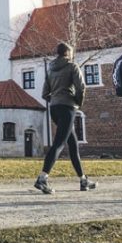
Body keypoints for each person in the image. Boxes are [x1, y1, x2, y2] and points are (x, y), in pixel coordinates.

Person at [33, 42, 97, 195]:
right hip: (68, 108)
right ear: (68, 53)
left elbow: (44, 93)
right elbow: (81, 87)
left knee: (73, 145)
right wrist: (77, 103)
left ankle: (83, 179)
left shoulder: (50, 69)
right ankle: (42, 178)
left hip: (54, 108)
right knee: (59, 144)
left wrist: (55, 101)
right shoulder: (72, 66)